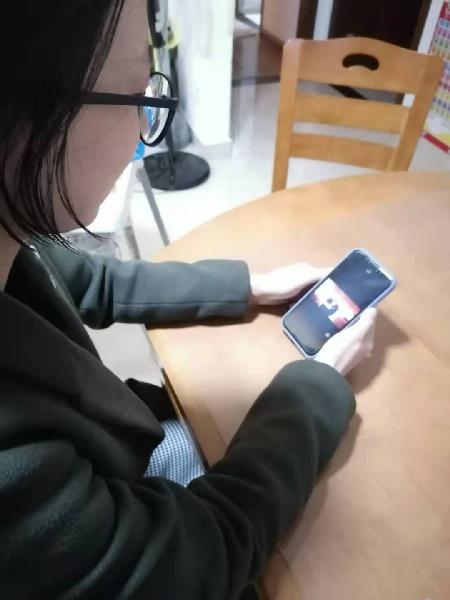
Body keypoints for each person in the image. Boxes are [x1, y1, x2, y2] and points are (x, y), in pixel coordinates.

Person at [0, 1, 376, 598]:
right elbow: (207, 555)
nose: (143, 128)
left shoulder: (11, 240)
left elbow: (92, 281)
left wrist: (247, 285)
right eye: (136, 95)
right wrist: (315, 384)